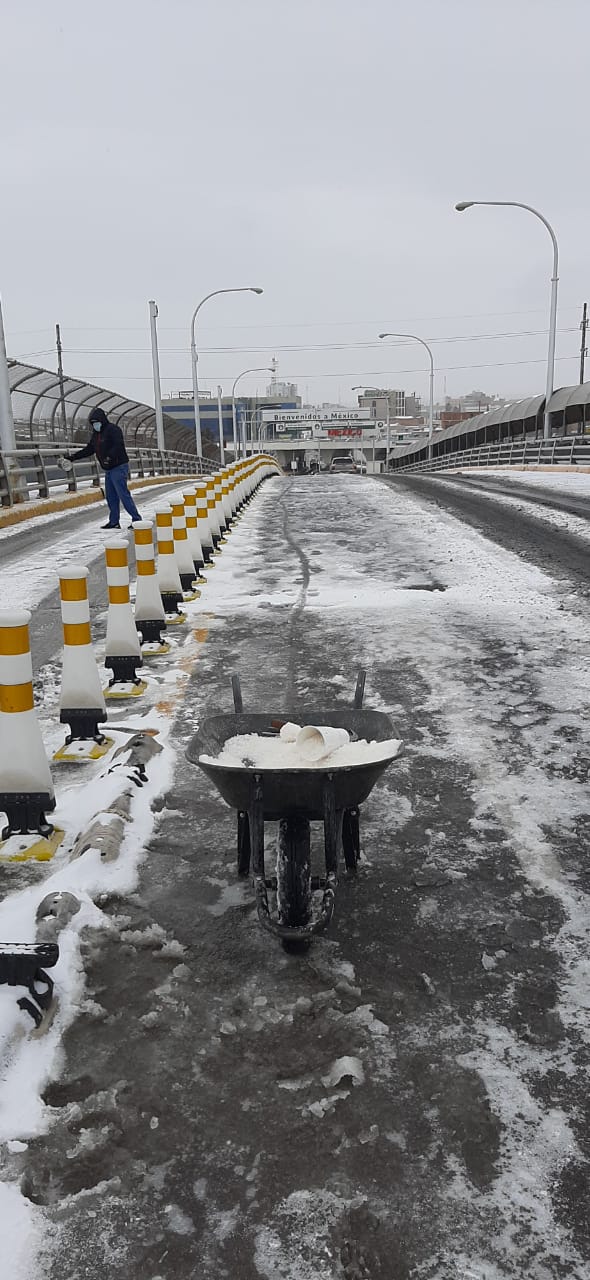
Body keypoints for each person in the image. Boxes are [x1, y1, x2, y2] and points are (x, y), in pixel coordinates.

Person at [63, 407, 141, 529]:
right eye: (93, 423)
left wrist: (110, 457)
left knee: (123, 494)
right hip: (108, 469)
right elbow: (89, 449)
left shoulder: (113, 430)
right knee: (111, 496)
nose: (95, 425)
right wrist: (72, 458)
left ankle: (137, 519)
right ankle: (114, 521)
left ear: (102, 420)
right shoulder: (96, 435)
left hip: (118, 466)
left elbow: (118, 445)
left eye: (96, 422)